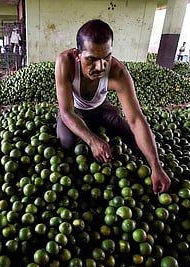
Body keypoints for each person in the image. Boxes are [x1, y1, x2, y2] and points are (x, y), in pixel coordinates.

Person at [55, 19, 171, 194]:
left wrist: (156, 166)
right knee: (66, 142)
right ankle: (90, 131)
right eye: (91, 59)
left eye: (106, 58)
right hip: (75, 111)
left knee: (135, 141)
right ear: (77, 54)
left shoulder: (118, 72)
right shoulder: (65, 62)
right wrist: (93, 140)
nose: (100, 67)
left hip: (102, 109)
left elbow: (136, 120)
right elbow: (66, 111)